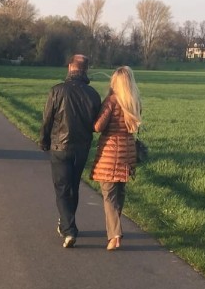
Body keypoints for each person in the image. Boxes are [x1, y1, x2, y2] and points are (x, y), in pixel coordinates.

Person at [40, 54, 102, 248]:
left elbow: (47, 119)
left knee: (61, 188)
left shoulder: (57, 91)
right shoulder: (93, 94)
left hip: (59, 146)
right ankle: (66, 223)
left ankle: (69, 230)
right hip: (81, 148)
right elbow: (95, 125)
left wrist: (43, 141)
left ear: (69, 67)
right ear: (86, 70)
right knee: (73, 187)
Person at [90, 66, 142, 250]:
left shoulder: (111, 101)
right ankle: (116, 229)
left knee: (109, 195)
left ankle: (114, 235)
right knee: (119, 193)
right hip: (128, 152)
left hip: (110, 153)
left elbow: (98, 127)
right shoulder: (134, 102)